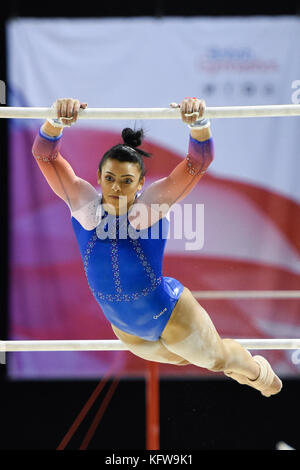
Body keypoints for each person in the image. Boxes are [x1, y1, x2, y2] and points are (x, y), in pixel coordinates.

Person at [32, 97, 282, 397]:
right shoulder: (84, 206)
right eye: (109, 178)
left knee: (215, 359)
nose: (115, 187)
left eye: (126, 181)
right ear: (98, 177)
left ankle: (255, 372)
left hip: (169, 314)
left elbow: (197, 163)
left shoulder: (148, 209)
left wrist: (199, 125)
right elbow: (45, 156)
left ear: (140, 185)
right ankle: (237, 368)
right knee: (196, 358)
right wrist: (55, 120)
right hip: (129, 333)